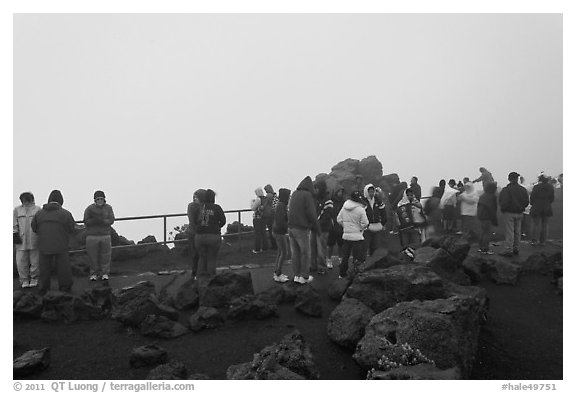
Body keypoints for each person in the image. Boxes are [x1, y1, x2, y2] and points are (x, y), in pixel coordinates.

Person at [31, 190, 76, 295]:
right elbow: (71, 228)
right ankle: (65, 287)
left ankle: (44, 288)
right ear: (61, 200)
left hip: (44, 244)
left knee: (44, 268)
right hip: (61, 244)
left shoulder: (39, 213)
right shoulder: (66, 213)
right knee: (63, 268)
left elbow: (34, 227)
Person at [288, 176, 321, 285]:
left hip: (291, 228)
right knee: (305, 252)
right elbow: (311, 213)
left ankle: (296, 275)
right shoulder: (307, 196)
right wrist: (317, 228)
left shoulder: (294, 194)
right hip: (301, 228)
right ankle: (304, 276)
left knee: (295, 253)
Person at [84, 190, 115, 281]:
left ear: (104, 199)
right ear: (95, 200)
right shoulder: (89, 209)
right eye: (98, 199)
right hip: (92, 236)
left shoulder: (108, 208)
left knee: (106, 255)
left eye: (101, 199)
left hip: (105, 235)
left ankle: (104, 273)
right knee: (92, 256)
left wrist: (103, 221)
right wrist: (93, 221)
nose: (100, 200)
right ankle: (93, 273)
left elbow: (112, 219)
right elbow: (85, 220)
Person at [337, 191, 369, 279]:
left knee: (345, 257)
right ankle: (354, 275)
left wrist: (346, 227)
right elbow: (365, 223)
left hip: (346, 236)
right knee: (356, 258)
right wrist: (361, 229)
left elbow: (338, 219)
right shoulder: (360, 209)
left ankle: (342, 274)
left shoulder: (344, 207)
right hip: (357, 237)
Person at [195, 189, 226, 278]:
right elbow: (223, 221)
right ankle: (211, 279)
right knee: (211, 258)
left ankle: (200, 279)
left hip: (199, 237)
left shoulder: (199, 208)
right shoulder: (217, 208)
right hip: (213, 236)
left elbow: (194, 221)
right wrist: (216, 227)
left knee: (202, 257)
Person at [13, 192, 41, 288]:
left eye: (27, 200)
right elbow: (13, 223)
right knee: (21, 262)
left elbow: (40, 224)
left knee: (35, 261)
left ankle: (34, 278)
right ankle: (24, 280)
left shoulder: (38, 209)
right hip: (21, 240)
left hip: (34, 239)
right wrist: (15, 234)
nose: (26, 202)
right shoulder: (17, 210)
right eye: (24, 200)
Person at [498, 172, 529, 257]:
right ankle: (516, 248)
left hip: (509, 212)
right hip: (519, 212)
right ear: (517, 179)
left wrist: (503, 209)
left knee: (510, 231)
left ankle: (508, 249)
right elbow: (526, 202)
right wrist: (521, 207)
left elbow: (502, 201)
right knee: (517, 231)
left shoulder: (506, 190)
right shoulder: (522, 189)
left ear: (509, 179)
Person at [311, 180, 331, 274]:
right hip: (314, 228)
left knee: (321, 249)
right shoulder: (316, 199)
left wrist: (317, 223)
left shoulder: (328, 200)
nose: (315, 190)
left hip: (323, 229)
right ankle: (313, 266)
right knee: (313, 247)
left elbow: (327, 215)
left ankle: (322, 267)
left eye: (317, 188)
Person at [272, 188, 291, 282]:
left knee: (280, 252)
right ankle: (278, 274)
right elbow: (281, 221)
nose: (289, 198)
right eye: (288, 196)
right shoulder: (281, 206)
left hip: (277, 231)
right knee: (284, 252)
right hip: (279, 232)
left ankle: (277, 272)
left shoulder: (281, 205)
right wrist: (286, 228)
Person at [529, 174, 555, 246]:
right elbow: (552, 198)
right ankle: (543, 241)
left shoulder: (536, 187)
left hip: (537, 207)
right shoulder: (550, 187)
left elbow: (532, 197)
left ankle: (534, 240)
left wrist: (532, 203)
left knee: (535, 224)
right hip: (547, 207)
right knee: (545, 225)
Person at [187, 189, 206, 279]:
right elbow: (193, 220)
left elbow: (204, 221)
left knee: (202, 253)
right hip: (194, 233)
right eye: (194, 197)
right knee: (195, 254)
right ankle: (195, 273)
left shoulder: (205, 207)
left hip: (200, 233)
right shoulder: (191, 206)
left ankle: (201, 272)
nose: (194, 199)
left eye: (196, 197)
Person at [363, 183, 386, 256]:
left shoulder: (378, 201)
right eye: (370, 192)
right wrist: (364, 225)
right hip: (366, 227)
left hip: (377, 226)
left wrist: (383, 223)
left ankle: (373, 261)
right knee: (365, 245)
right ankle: (364, 261)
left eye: (373, 191)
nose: (371, 193)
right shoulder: (363, 202)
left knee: (375, 245)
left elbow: (383, 212)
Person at [477, 182, 498, 254]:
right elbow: (492, 208)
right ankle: (485, 249)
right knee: (487, 233)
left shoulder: (482, 195)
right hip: (487, 217)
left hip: (481, 216)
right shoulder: (491, 197)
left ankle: (481, 247)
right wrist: (494, 220)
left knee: (482, 232)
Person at [327, 187, 345, 267]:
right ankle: (328, 260)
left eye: (341, 191)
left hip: (341, 225)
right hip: (332, 225)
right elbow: (328, 212)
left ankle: (341, 259)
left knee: (341, 244)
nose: (340, 193)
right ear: (336, 192)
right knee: (330, 244)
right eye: (339, 191)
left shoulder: (344, 202)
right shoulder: (331, 201)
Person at [250, 187, 267, 253]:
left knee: (257, 234)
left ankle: (257, 249)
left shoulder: (258, 199)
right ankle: (265, 247)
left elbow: (253, 208)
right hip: (264, 217)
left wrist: (252, 202)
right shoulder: (265, 199)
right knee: (263, 233)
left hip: (257, 218)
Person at [262, 184, 279, 250]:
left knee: (271, 230)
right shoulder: (275, 195)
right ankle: (276, 245)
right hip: (275, 214)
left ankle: (274, 245)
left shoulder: (269, 195)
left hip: (270, 215)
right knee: (274, 230)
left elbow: (265, 204)